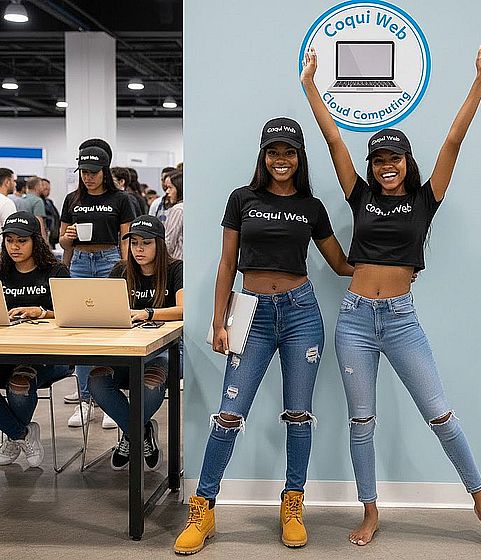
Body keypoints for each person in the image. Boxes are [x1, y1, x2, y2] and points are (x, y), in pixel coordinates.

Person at [300, 43, 481, 552]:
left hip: (400, 321)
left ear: (406, 161)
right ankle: (370, 511)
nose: (384, 167)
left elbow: (454, 140)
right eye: (377, 161)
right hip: (354, 320)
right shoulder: (360, 195)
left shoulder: (424, 199)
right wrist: (309, 86)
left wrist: (480, 80)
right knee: (362, 422)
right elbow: (333, 139)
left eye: (392, 158)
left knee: (440, 415)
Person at [174, 117, 353, 555]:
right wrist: (218, 322)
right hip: (250, 314)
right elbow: (227, 262)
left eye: (289, 152)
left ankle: (292, 505)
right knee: (228, 414)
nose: (281, 159)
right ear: (263, 155)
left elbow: (339, 264)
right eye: (274, 151)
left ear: (299, 157)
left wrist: (388, 265)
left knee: (299, 415)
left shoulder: (311, 207)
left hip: (301, 315)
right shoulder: (243, 199)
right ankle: (204, 508)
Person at [88, 214, 183, 470]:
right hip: (125, 349)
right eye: (134, 243)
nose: (139, 249)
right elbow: (105, 308)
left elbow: (183, 309)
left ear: (159, 244)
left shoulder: (176, 269)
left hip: (165, 349)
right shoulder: (120, 270)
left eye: (146, 243)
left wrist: (148, 313)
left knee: (151, 383)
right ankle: (139, 432)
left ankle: (131, 435)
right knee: (96, 381)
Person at [59, 142, 135, 428]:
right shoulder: (72, 199)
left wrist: (125, 269)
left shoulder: (120, 199)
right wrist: (67, 238)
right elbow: (62, 242)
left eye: (93, 172)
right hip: (79, 262)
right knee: (79, 330)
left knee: (109, 328)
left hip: (109, 261)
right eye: (84, 172)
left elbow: (126, 238)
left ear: (104, 171)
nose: (88, 177)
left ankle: (107, 398)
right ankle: (85, 399)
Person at [0, 212, 71, 468]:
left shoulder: (55, 271)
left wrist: (41, 312)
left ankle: (13, 436)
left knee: (19, 384)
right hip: (7, 352)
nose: (14, 247)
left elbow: (71, 313)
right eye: (9, 240)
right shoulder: (1, 271)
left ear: (35, 241)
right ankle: (20, 433)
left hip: (49, 355)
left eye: (21, 241)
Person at [18, 176, 48, 241]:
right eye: (41, 185)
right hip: (33, 236)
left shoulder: (20, 200)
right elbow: (39, 222)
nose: (43, 187)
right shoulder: (38, 201)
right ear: (37, 186)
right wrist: (44, 240)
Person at [163, 170, 183, 260]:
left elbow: (169, 242)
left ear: (179, 188)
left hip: (176, 260)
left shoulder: (178, 209)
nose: (167, 191)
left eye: (170, 187)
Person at [40, 178, 61, 249]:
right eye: (45, 188)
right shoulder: (38, 203)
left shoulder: (49, 202)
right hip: (45, 236)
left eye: (48, 189)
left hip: (53, 237)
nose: (47, 190)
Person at [0, 168, 17, 242]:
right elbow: (12, 230)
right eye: (13, 181)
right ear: (7, 182)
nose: (15, 184)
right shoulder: (6, 202)